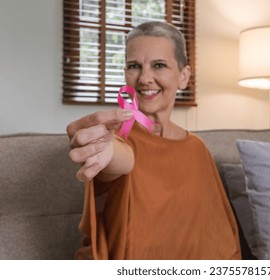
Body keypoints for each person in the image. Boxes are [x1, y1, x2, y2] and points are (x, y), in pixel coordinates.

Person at [66, 21, 241, 260]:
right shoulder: (119, 138)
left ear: (183, 76)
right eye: (134, 66)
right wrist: (105, 150)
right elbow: (121, 158)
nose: (145, 78)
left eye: (159, 65)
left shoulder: (197, 149)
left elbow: (218, 235)